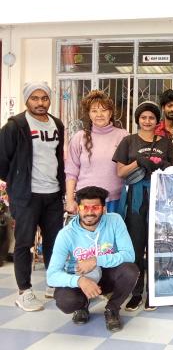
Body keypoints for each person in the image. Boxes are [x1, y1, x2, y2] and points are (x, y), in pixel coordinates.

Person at [0, 81, 65, 311]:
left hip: (53, 194)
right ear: (27, 99)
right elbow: (2, 161)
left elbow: (58, 160)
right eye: (35, 98)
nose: (40, 102)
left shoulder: (57, 124)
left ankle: (53, 283)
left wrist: (63, 190)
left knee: (54, 243)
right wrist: (17, 183)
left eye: (44, 98)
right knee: (25, 243)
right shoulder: (15, 125)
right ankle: (24, 291)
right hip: (26, 196)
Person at [47, 186, 138, 332]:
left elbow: (129, 255)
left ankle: (112, 309)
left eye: (95, 207)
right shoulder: (66, 234)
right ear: (78, 208)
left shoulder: (115, 221)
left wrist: (96, 260)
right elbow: (51, 276)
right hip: (80, 278)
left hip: (107, 276)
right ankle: (81, 306)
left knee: (130, 270)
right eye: (85, 207)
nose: (89, 212)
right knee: (66, 301)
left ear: (103, 208)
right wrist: (79, 281)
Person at [113, 101, 173, 311]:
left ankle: (154, 293)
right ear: (138, 119)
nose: (147, 121)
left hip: (158, 198)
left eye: (151, 117)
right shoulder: (128, 141)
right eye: (143, 117)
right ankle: (136, 293)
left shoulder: (165, 142)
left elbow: (172, 170)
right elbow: (120, 172)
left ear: (157, 120)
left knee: (156, 245)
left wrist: (163, 166)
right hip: (135, 200)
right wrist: (138, 162)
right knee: (137, 247)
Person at [65, 90, 128, 214]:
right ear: (88, 114)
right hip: (87, 202)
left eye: (103, 110)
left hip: (116, 201)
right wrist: (70, 201)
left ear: (110, 113)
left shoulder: (123, 136)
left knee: (113, 233)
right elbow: (71, 172)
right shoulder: (79, 137)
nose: (99, 114)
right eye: (94, 110)